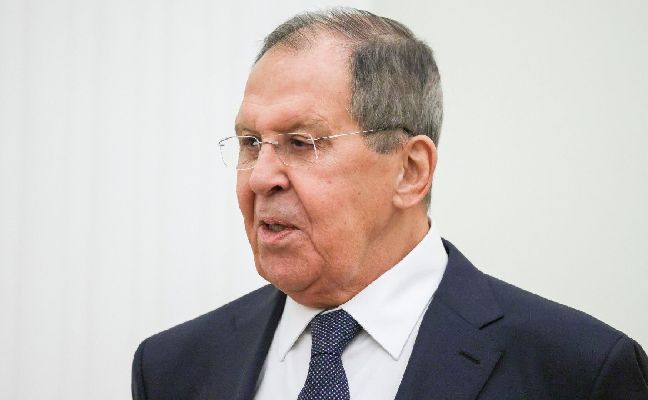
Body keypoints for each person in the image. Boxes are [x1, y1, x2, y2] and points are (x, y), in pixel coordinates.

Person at [131, 8, 648, 400]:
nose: (262, 177)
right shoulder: (173, 367)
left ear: (410, 171)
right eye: (250, 143)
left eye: (301, 143)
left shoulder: (578, 371)